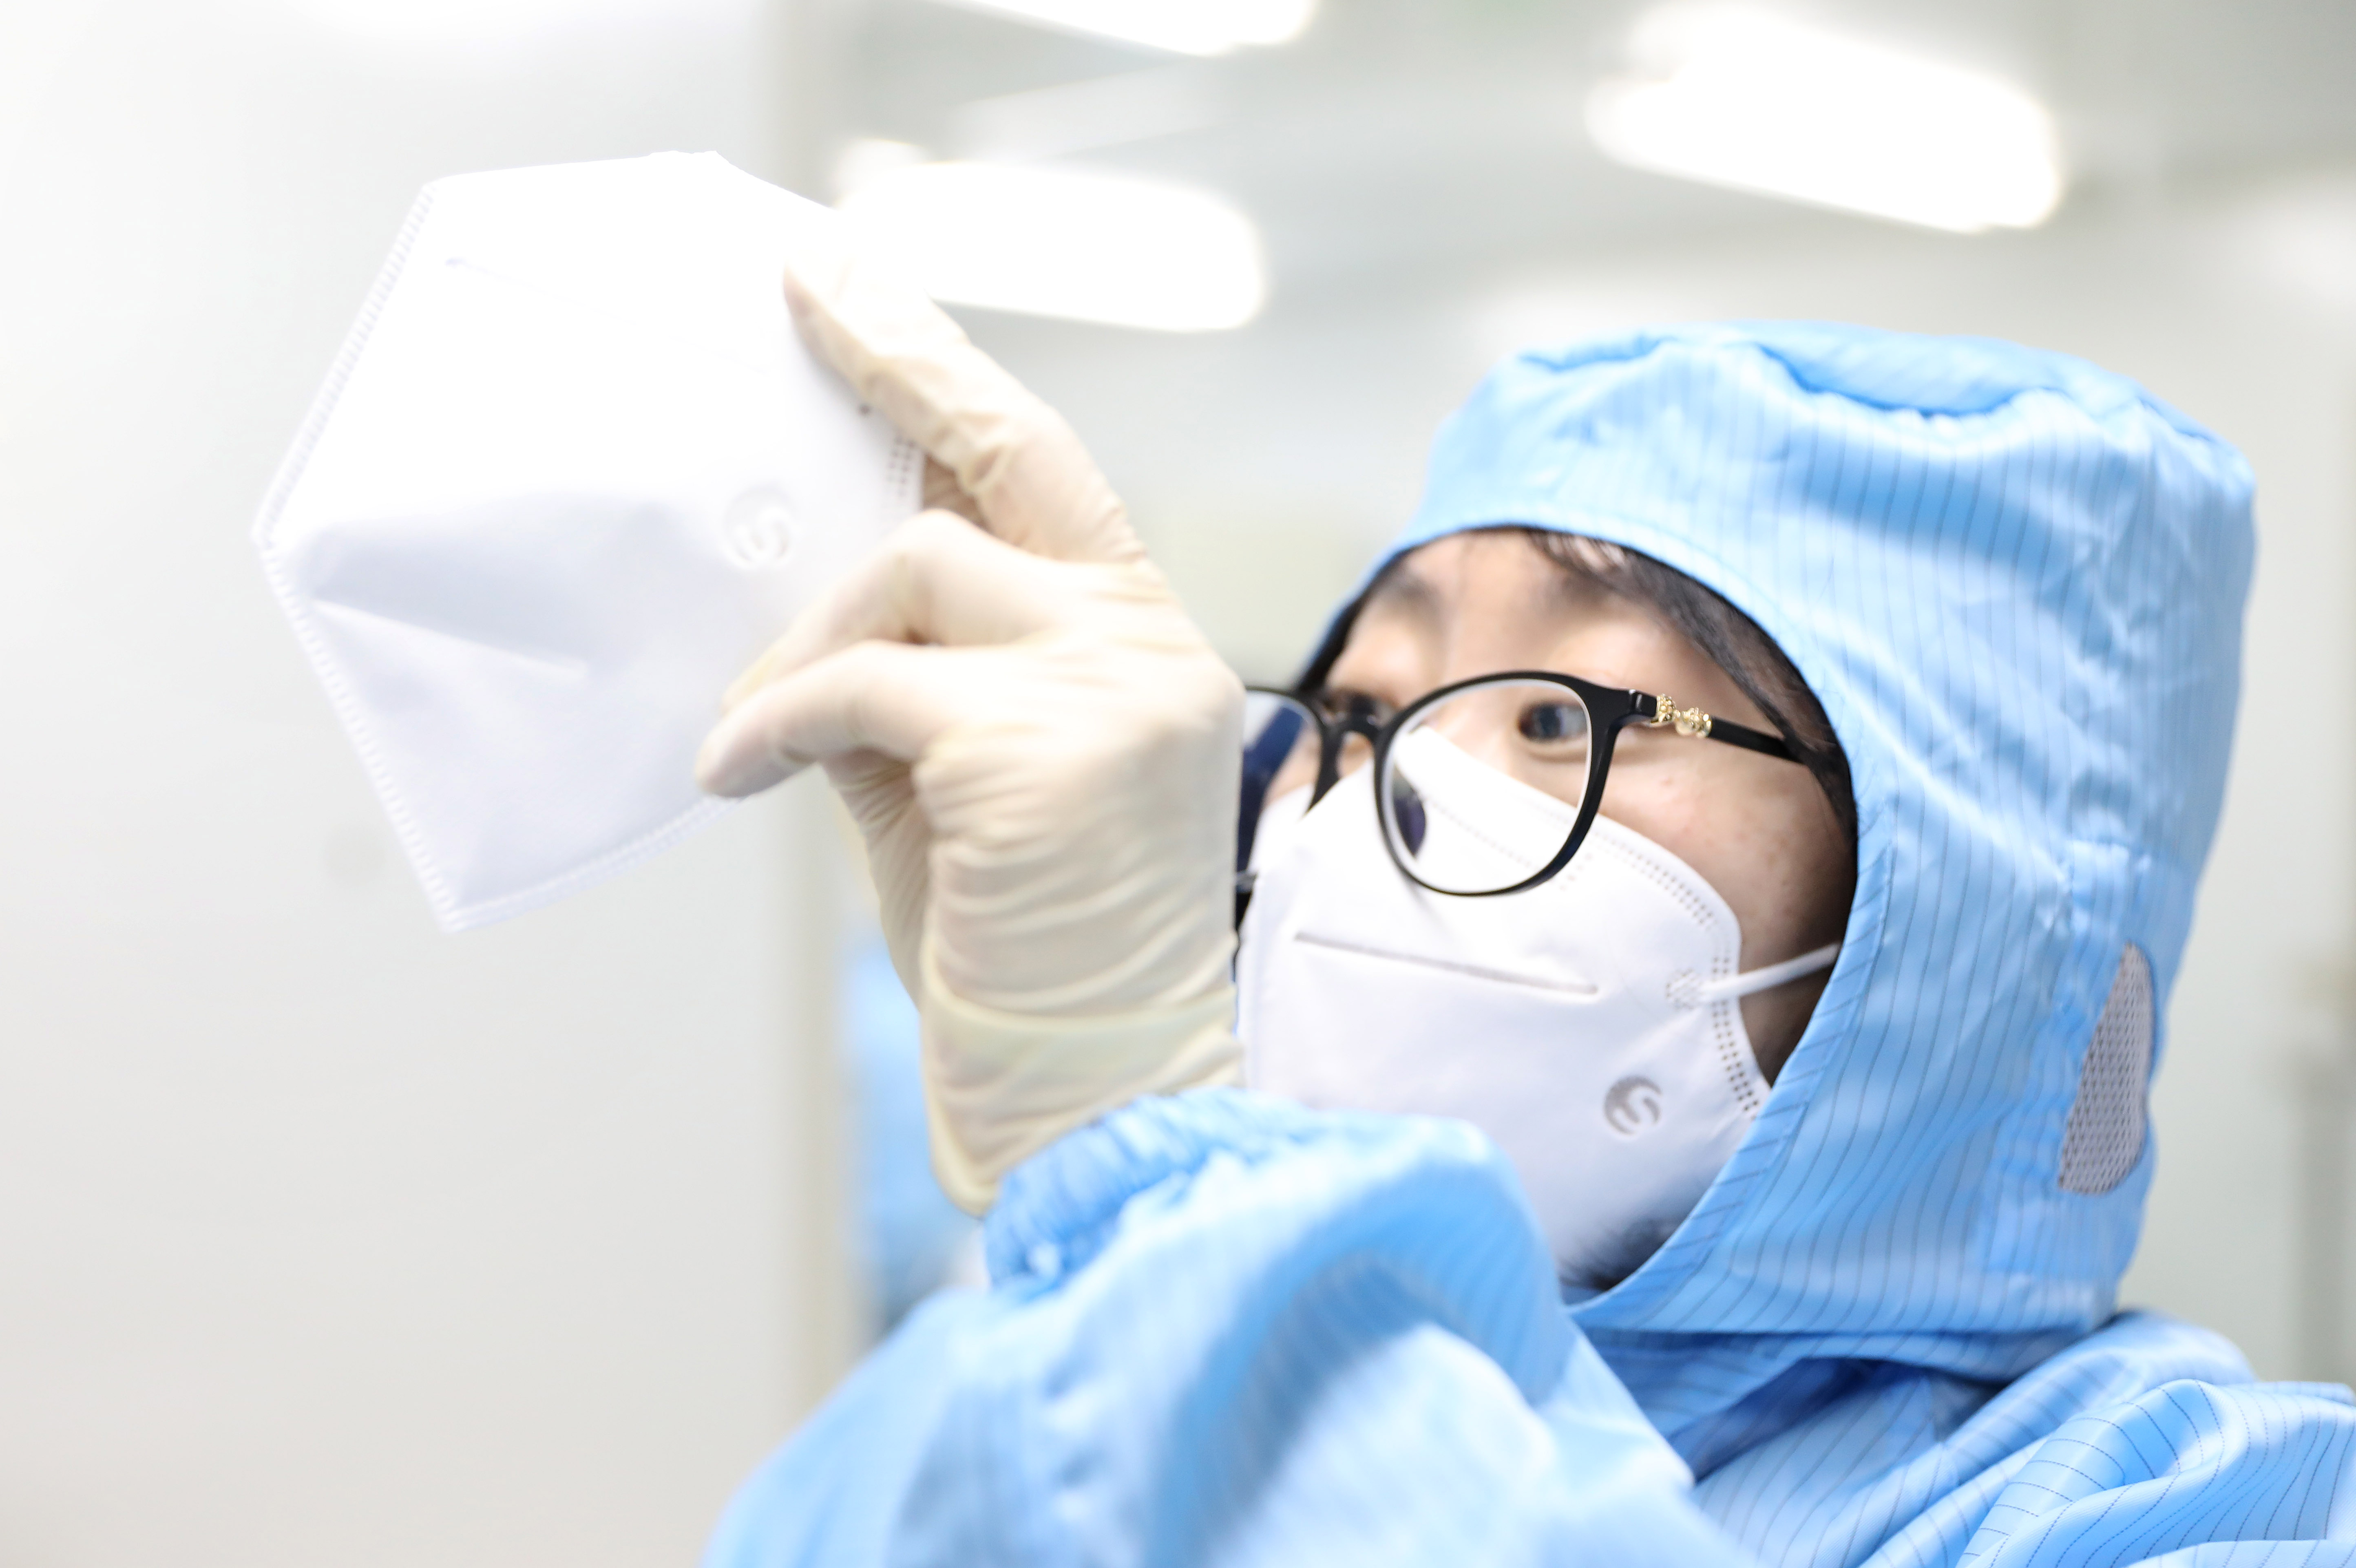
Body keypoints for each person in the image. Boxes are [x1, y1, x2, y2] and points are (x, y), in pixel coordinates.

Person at [690, 240, 2356, 1566]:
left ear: (1963, 918)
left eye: (1559, 717)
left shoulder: (2206, 1512)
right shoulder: (1037, 1372)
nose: (1383, 803)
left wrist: (1171, 1195)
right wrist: (1105, 1239)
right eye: (1363, 709)